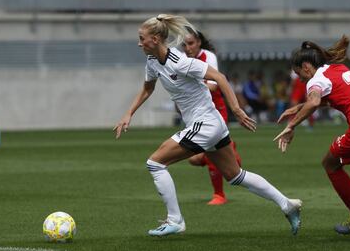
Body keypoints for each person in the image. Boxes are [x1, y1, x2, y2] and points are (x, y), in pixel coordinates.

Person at [114, 14, 302, 237]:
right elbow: (148, 88)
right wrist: (128, 113)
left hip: (205, 124)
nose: (138, 42)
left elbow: (220, 78)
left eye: (141, 38)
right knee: (235, 175)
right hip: (211, 124)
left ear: (155, 39)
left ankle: (175, 220)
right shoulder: (153, 62)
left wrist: (237, 110)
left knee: (155, 163)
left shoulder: (180, 62)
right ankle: (287, 204)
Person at [274, 35, 350, 235]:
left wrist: (291, 126)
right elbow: (334, 97)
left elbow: (314, 102)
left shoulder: (316, 80)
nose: (300, 79)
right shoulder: (338, 69)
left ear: (306, 67)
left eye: (299, 74)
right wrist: (299, 107)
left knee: (330, 164)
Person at [182, 29, 242, 205]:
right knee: (193, 159)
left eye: (191, 43)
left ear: (199, 42)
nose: (187, 48)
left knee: (209, 152)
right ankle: (230, 149)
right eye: (184, 44)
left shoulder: (208, 57)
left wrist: (190, 87)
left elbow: (215, 86)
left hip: (215, 111)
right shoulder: (183, 60)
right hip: (195, 113)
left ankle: (219, 195)